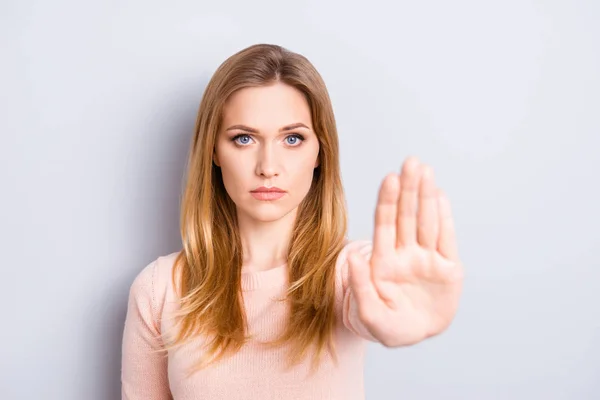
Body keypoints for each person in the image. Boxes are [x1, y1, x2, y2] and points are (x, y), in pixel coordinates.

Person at [121, 43, 464, 400]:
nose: (268, 166)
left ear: (320, 151)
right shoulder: (159, 290)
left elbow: (371, 298)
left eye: (292, 138)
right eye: (244, 138)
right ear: (213, 151)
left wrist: (402, 316)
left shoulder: (348, 272)